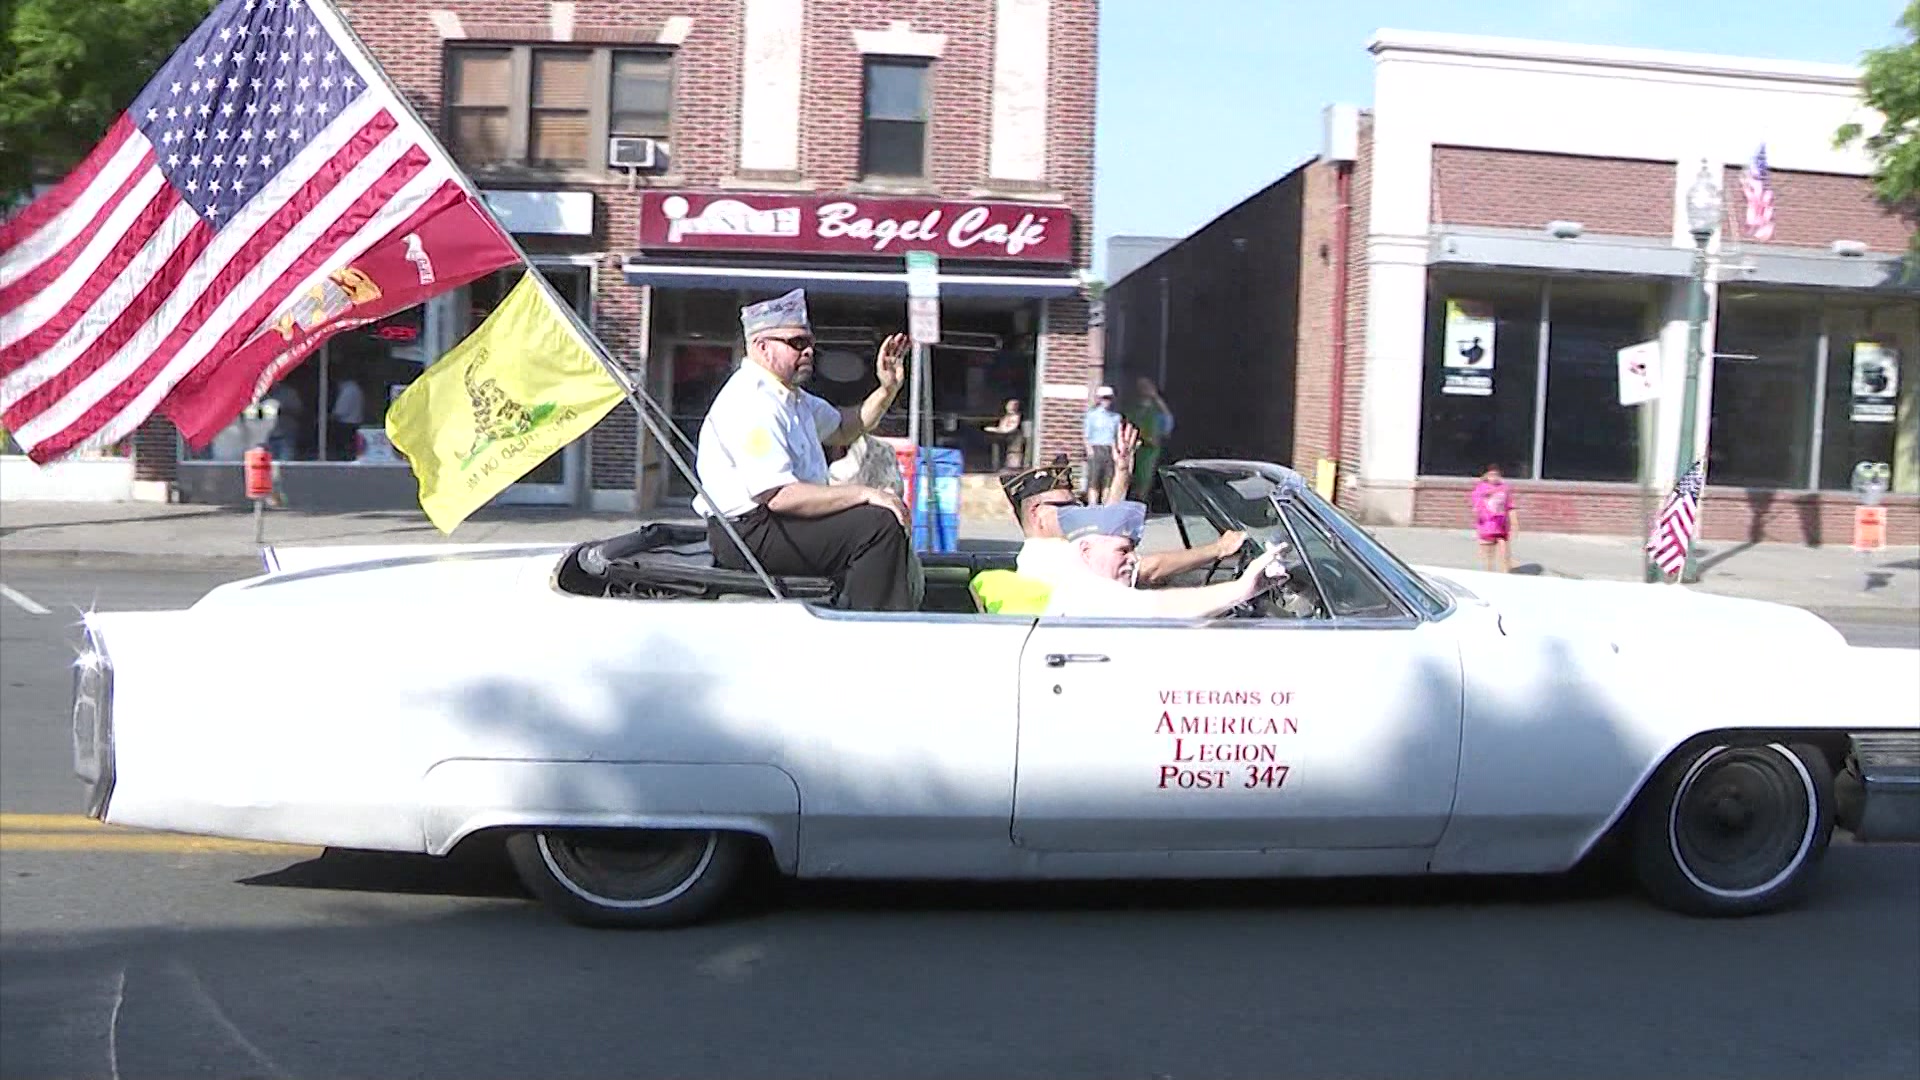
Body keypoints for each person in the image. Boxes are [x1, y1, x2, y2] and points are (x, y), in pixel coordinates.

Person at [693, 288, 918, 611]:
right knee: (876, 527)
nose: (809, 351)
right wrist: (865, 493)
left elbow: (844, 428)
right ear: (762, 347)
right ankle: (872, 631)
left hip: (771, 521)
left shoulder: (790, 396)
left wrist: (887, 388)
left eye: (810, 342)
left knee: (874, 518)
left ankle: (856, 607)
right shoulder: (753, 401)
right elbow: (779, 496)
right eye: (796, 343)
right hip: (748, 533)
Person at [999, 431, 1246, 588]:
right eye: (1067, 508)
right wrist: (1218, 549)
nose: (1078, 513)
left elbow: (1108, 527)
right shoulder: (1053, 557)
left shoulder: (1054, 548)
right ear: (1037, 515)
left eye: (1078, 506)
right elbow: (1147, 570)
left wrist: (1122, 473)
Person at [1038, 500, 1286, 619]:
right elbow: (1162, 606)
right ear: (1086, 551)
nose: (1134, 558)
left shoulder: (1078, 576)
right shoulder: (1087, 592)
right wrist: (1240, 589)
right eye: (1123, 551)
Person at [1125, 376, 1175, 503]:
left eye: (1147, 387)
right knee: (1131, 477)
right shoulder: (1134, 409)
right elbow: (1127, 424)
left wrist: (1156, 398)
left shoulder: (1156, 410)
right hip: (1134, 448)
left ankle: (1142, 503)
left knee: (1145, 479)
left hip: (1151, 450)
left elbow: (1168, 421)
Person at [1471, 463, 1517, 573]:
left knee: (1504, 552)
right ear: (1485, 476)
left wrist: (1515, 523)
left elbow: (1510, 506)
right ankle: (1489, 573)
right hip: (1487, 526)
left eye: (1496, 475)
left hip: (1501, 526)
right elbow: (1476, 507)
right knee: (1488, 555)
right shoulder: (1480, 490)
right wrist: (1478, 516)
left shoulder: (1504, 489)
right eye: (1491, 475)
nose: (1494, 477)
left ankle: (1506, 573)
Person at [1082, 386, 1121, 504]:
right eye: (1104, 398)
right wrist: (1089, 449)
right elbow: (1086, 434)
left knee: (1108, 480)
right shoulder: (1091, 415)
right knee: (1094, 480)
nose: (1106, 401)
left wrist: (1115, 451)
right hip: (1096, 447)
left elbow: (1115, 435)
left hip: (1109, 448)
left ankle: (1105, 505)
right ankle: (1093, 506)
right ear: (1099, 399)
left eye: (1109, 398)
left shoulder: (1116, 417)